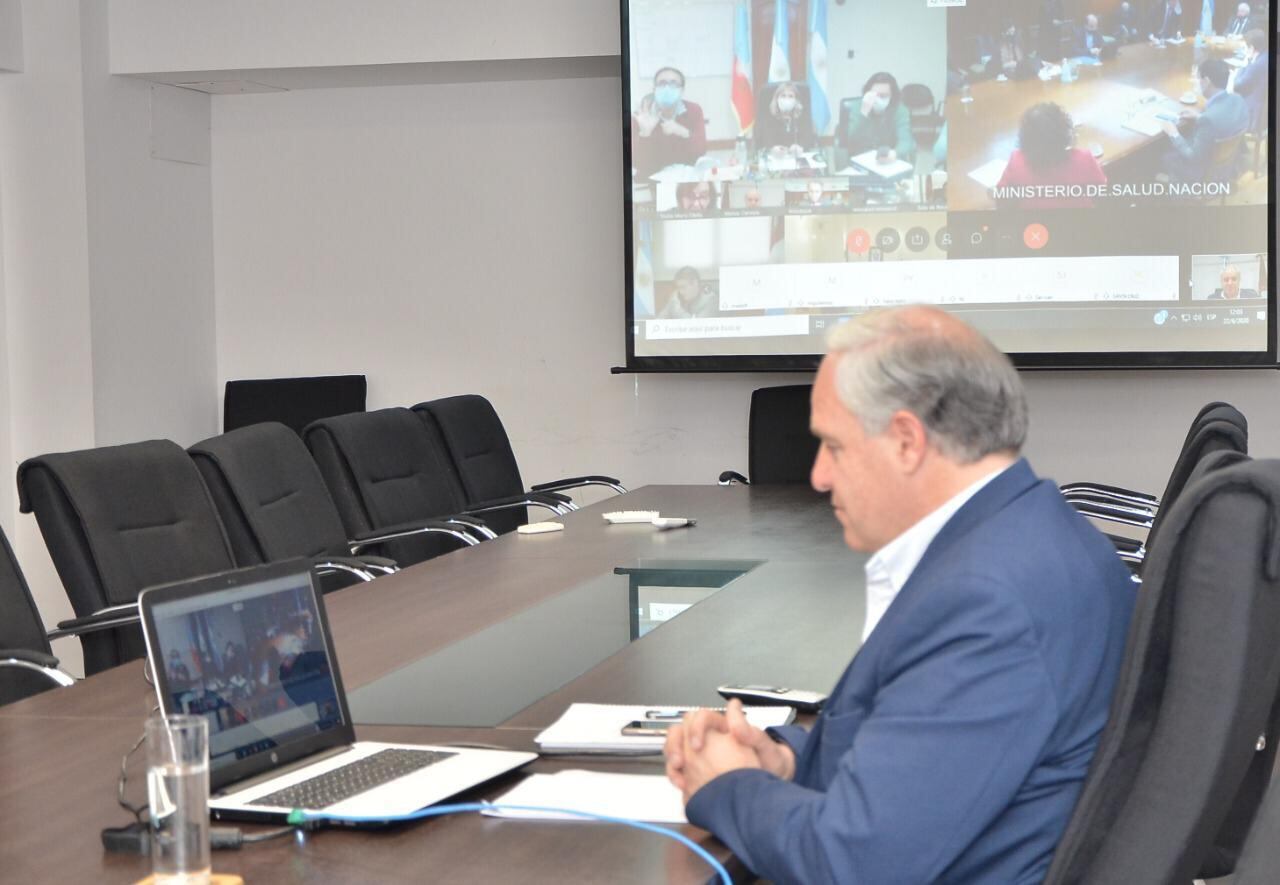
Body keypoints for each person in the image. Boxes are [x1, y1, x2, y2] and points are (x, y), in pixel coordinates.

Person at [664, 306, 1136, 884]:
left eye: (833, 447)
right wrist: (783, 760)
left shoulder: (988, 601)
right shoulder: (1028, 533)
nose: (817, 476)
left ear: (908, 441)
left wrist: (728, 787)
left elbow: (853, 862)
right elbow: (906, 745)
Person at [996, 102, 1107, 208]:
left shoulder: (1016, 160)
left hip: (1036, 226)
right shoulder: (1085, 159)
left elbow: (1001, 198)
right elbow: (1102, 194)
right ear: (1065, 133)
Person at [1161, 58, 1248, 183]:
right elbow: (1223, 121)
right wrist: (1199, 117)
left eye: (1197, 79)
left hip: (1203, 174)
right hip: (1227, 166)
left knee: (1161, 154)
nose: (1196, 83)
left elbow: (1193, 157)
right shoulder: (1239, 100)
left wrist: (1173, 133)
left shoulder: (1209, 119)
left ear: (1206, 81)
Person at [631, 67, 707, 177]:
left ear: (682, 90)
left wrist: (682, 132)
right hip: (651, 179)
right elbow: (638, 163)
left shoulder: (693, 110)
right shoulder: (642, 115)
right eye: (662, 83)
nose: (667, 88)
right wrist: (645, 134)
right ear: (654, 89)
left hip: (684, 178)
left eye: (673, 83)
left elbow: (700, 151)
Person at [838, 72, 915, 166]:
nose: (877, 99)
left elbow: (906, 140)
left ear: (892, 97)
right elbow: (850, 140)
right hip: (861, 157)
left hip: (888, 156)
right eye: (873, 95)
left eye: (883, 96)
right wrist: (863, 114)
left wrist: (894, 154)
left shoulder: (900, 110)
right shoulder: (857, 107)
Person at [754, 82, 816, 156]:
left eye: (791, 96)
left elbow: (810, 140)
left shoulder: (803, 118)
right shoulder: (767, 119)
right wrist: (771, 149)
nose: (787, 99)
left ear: (796, 101)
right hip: (774, 160)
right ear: (776, 99)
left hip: (797, 160)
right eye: (783, 96)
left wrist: (801, 147)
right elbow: (761, 143)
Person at [1232, 29, 1268, 133]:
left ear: (1252, 48)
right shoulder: (1266, 56)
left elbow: (1237, 85)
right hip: (1263, 112)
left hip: (1252, 116)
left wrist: (1241, 67)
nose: (1244, 51)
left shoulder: (1256, 65)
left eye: (1245, 48)